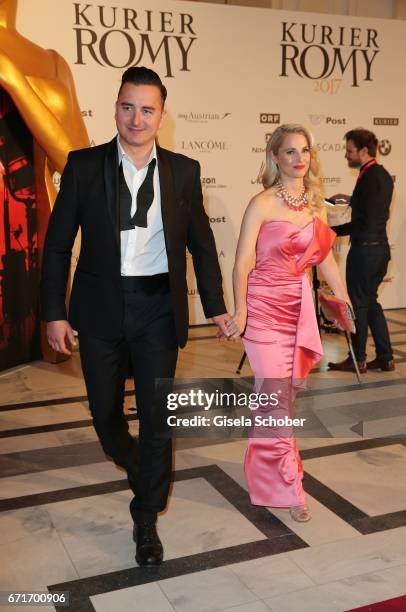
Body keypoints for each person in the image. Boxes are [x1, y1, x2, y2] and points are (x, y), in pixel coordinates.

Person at [40, 66, 229, 566]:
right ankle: (137, 463)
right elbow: (57, 247)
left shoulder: (184, 172)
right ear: (116, 108)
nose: (136, 118)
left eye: (147, 109)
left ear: (161, 117)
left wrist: (218, 307)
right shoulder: (82, 167)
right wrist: (53, 313)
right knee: (105, 418)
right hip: (99, 307)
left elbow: (202, 246)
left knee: (157, 420)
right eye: (128, 106)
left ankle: (146, 518)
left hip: (157, 311)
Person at [227, 124, 350, 522]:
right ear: (275, 157)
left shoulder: (314, 206)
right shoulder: (261, 203)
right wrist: (240, 309)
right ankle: (290, 487)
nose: (299, 159)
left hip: (296, 310)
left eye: (305, 151)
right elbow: (243, 262)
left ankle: (269, 474)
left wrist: (344, 297)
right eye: (290, 152)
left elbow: (325, 259)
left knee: (278, 400)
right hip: (263, 309)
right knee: (276, 400)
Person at [328, 129, 394, 373]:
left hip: (365, 251)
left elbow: (363, 221)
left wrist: (331, 231)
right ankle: (386, 358)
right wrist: (346, 200)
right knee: (371, 302)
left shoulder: (369, 177)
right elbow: (370, 211)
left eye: (350, 151)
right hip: (379, 250)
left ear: (364, 151)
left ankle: (358, 359)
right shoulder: (381, 175)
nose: (346, 155)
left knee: (359, 305)